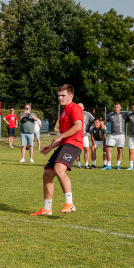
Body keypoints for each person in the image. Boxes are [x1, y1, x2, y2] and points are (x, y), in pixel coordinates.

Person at [32, 84, 83, 216]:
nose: (60, 98)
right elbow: (64, 135)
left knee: (59, 169)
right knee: (48, 174)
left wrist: (60, 137)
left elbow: (77, 127)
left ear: (70, 96)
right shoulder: (64, 111)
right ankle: (47, 209)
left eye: (63, 95)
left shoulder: (74, 108)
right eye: (59, 96)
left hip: (74, 144)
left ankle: (70, 203)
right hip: (64, 144)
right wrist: (51, 146)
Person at [104, 102, 127, 169]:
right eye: (115, 107)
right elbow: (105, 121)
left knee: (119, 149)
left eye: (117, 107)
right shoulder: (110, 115)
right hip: (112, 135)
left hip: (121, 135)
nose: (116, 108)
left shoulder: (124, 114)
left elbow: (133, 113)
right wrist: (101, 124)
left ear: (120, 108)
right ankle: (109, 165)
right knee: (108, 149)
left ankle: (118, 165)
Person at [77, 103, 94, 168]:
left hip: (85, 135)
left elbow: (94, 120)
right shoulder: (74, 113)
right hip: (77, 134)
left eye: (81, 107)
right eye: (78, 107)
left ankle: (86, 164)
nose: (80, 108)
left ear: (83, 107)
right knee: (77, 149)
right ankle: (78, 164)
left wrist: (90, 127)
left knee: (86, 148)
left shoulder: (87, 114)